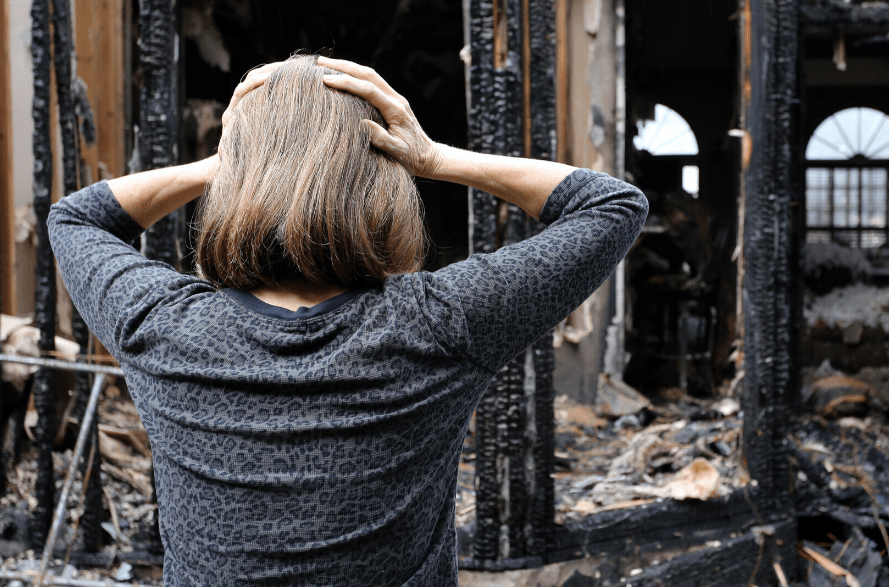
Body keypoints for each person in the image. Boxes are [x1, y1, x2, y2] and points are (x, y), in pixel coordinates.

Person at [48, 55, 646, 585]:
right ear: (383, 179)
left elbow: (75, 219)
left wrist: (229, 162)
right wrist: (435, 158)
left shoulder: (162, 327)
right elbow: (611, 204)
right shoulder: (437, 324)